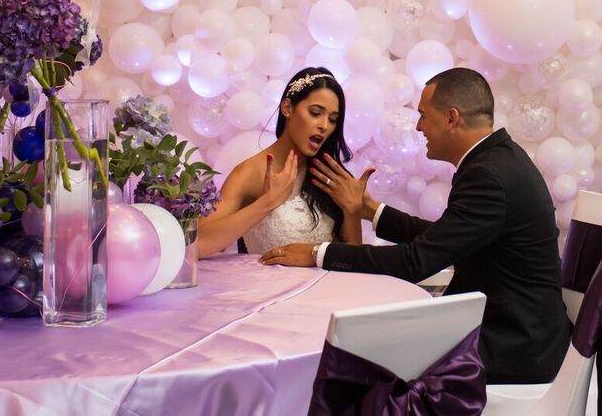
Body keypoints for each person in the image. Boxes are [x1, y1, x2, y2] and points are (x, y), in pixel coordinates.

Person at [260, 68, 570, 385]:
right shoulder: (500, 159)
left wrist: (317, 253)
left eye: (423, 115)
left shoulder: (488, 176)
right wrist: (370, 209)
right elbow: (445, 239)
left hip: (513, 345)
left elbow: (415, 262)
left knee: (367, 356)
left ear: (451, 118)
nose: (419, 126)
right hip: (524, 332)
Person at [191, 67, 364, 256]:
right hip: (268, 285)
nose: (324, 125)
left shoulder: (329, 176)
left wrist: (352, 212)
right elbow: (198, 244)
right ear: (287, 108)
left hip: (329, 285)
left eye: (332, 119)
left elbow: (352, 261)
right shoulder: (250, 173)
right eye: (315, 113)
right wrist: (268, 202)